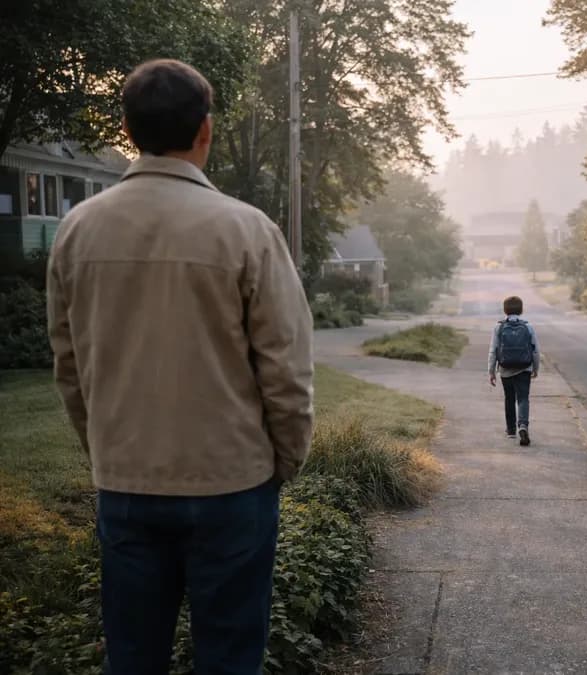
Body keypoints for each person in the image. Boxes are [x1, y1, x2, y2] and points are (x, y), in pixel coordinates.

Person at [47, 59, 314, 674]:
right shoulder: (247, 230)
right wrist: (286, 459)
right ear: (206, 131)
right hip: (231, 483)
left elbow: (69, 364)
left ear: (126, 127)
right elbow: (286, 369)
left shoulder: (77, 229)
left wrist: (104, 450)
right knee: (228, 656)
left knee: (133, 656)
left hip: (126, 479)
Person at [488, 295, 540, 446]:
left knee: (509, 398)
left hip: (505, 368)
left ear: (505, 310)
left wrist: (491, 371)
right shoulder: (528, 327)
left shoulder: (499, 327)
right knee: (523, 398)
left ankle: (511, 430)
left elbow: (493, 351)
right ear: (521, 310)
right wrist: (535, 368)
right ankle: (523, 426)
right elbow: (536, 350)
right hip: (524, 368)